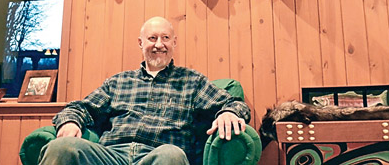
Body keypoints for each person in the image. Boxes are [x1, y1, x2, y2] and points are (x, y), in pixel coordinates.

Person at [38, 16, 250, 165]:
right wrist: (70, 121)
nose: (159, 44)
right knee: (61, 148)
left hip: (160, 154)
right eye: (152, 38)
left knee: (171, 156)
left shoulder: (192, 82)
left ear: (174, 43)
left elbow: (234, 103)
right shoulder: (118, 82)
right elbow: (79, 107)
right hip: (111, 156)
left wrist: (229, 112)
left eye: (165, 38)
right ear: (140, 43)